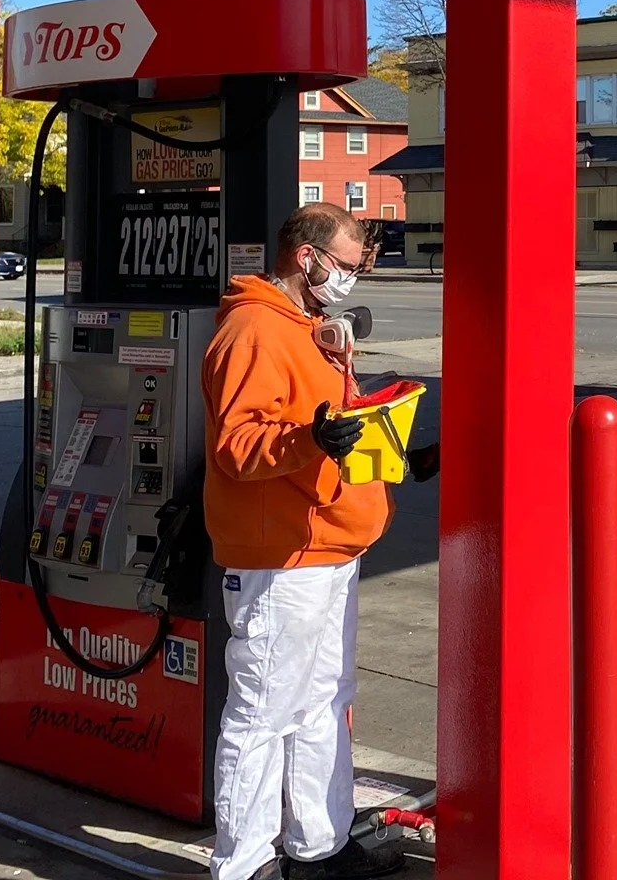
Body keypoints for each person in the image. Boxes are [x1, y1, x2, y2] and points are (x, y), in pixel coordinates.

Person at [202, 203, 435, 880]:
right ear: (306, 257)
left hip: (327, 548)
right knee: (264, 713)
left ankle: (318, 844)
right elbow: (238, 447)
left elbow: (333, 432)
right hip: (282, 559)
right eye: (343, 262)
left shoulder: (306, 330)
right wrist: (310, 440)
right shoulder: (253, 330)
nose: (349, 277)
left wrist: (399, 457)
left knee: (321, 702)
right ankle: (243, 866)